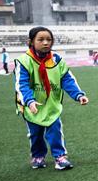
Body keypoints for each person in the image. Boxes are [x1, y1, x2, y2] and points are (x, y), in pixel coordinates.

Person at [14, 27, 89, 170]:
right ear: (31, 42)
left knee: (55, 130)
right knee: (35, 133)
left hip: (51, 103)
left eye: (49, 39)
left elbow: (67, 79)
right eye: (40, 40)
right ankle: (38, 156)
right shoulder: (23, 61)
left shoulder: (57, 59)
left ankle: (60, 157)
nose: (45, 43)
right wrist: (29, 101)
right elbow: (21, 85)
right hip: (31, 105)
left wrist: (79, 95)